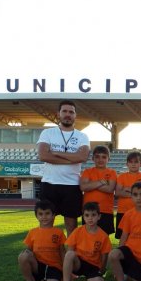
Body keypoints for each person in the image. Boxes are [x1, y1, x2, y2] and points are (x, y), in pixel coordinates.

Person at [37, 100, 90, 235]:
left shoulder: (82, 136)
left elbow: (82, 157)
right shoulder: (48, 133)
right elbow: (43, 155)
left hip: (71, 185)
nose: (68, 114)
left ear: (75, 115)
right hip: (49, 183)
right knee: (46, 223)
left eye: (71, 112)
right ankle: (46, 254)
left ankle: (70, 254)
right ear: (58, 114)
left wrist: (56, 153)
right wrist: (71, 159)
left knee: (71, 226)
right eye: (64, 111)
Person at [56, 202, 111, 281]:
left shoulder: (103, 236)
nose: (90, 218)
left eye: (93, 215)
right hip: (79, 263)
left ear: (99, 216)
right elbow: (70, 251)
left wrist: (101, 271)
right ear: (83, 217)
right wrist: (71, 270)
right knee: (70, 254)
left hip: (93, 266)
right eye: (87, 215)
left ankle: (94, 279)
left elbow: (104, 256)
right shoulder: (78, 231)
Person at [17, 200, 66, 281]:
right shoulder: (32, 232)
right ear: (36, 216)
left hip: (54, 267)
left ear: (53, 215)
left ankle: (49, 280)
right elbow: (28, 251)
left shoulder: (58, 232)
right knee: (23, 255)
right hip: (38, 266)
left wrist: (65, 273)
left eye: (47, 213)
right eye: (41, 214)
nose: (44, 217)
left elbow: (62, 252)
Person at [79, 145, 117, 234]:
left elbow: (110, 189)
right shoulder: (87, 171)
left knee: (104, 236)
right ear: (93, 159)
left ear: (109, 159)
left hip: (105, 210)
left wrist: (91, 184)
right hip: (89, 210)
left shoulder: (112, 172)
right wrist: (101, 182)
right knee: (88, 236)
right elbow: (83, 187)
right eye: (97, 157)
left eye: (104, 157)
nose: (100, 160)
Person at [114, 151, 141, 239]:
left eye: (136, 162)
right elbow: (118, 192)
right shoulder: (121, 177)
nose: (133, 164)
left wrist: (127, 189)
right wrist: (136, 193)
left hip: (139, 211)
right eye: (131, 162)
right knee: (122, 237)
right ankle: (121, 252)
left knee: (137, 236)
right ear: (127, 164)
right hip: (123, 212)